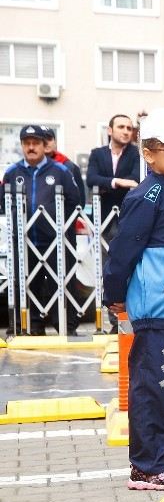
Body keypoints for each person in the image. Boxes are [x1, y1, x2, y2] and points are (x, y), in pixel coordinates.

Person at [103, 108, 164, 490]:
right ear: (149, 153)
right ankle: (146, 466)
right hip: (155, 313)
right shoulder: (150, 195)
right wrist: (113, 295)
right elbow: (123, 250)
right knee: (151, 387)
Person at [2, 125, 81, 336]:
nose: (31, 147)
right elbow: (4, 203)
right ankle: (32, 327)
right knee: (27, 284)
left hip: (55, 241)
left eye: (35, 143)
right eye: (26, 143)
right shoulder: (12, 172)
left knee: (62, 285)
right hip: (25, 241)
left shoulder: (61, 171)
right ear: (21, 146)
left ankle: (65, 327)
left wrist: (62, 229)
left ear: (43, 145)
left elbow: (75, 202)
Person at [86, 114, 140, 235]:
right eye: (121, 127)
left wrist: (104, 185)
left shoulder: (138, 154)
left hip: (128, 216)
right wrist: (117, 182)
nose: (126, 131)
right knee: (101, 253)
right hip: (101, 216)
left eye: (129, 128)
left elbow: (136, 179)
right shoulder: (97, 153)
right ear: (110, 130)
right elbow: (91, 179)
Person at [40, 126, 84, 198]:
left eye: (49, 139)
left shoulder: (69, 167)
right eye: (42, 140)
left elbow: (79, 200)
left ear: (55, 142)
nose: (46, 143)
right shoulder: (27, 168)